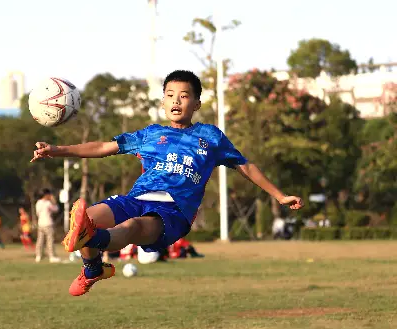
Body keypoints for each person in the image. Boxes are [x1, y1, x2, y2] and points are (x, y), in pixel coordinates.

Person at [31, 70, 305, 296]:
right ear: (162, 102)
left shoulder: (210, 137)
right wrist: (56, 150)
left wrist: (280, 196)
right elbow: (103, 146)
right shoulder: (150, 134)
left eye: (184, 96)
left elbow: (245, 165)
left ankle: (92, 240)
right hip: (137, 198)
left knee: (131, 227)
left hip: (173, 213)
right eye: (170, 95)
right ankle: (92, 267)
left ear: (196, 104)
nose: (176, 101)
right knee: (88, 216)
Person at [35, 189, 61, 263]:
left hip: (40, 223)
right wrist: (54, 201)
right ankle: (51, 256)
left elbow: (37, 213)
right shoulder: (48, 203)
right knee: (50, 240)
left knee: (40, 240)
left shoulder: (38, 203)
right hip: (48, 223)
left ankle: (38, 256)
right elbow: (56, 209)